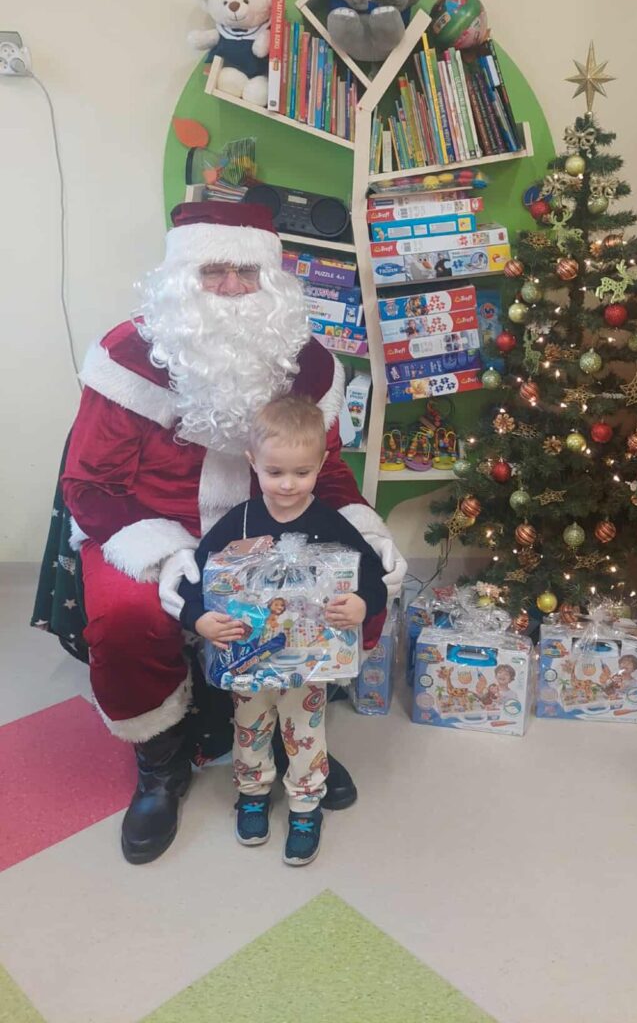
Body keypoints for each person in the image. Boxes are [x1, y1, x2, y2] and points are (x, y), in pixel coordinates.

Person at [60, 200, 406, 864]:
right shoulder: (129, 356)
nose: (228, 287)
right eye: (211, 270)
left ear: (271, 280)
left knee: (341, 593)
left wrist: (366, 531)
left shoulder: (308, 365)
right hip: (148, 528)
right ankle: (162, 763)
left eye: (245, 272)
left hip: (272, 524)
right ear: (180, 278)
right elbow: (89, 485)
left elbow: (326, 473)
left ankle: (295, 736)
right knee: (128, 616)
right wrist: (164, 556)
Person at [179, 396, 387, 867]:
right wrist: (198, 618)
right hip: (248, 661)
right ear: (252, 463)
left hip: (307, 667)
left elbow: (372, 576)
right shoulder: (239, 521)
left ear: (321, 465)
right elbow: (197, 576)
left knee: (306, 734)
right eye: (274, 472)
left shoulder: (329, 522)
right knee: (249, 731)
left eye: (301, 472)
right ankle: (253, 794)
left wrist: (362, 602)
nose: (288, 484)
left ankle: (306, 805)